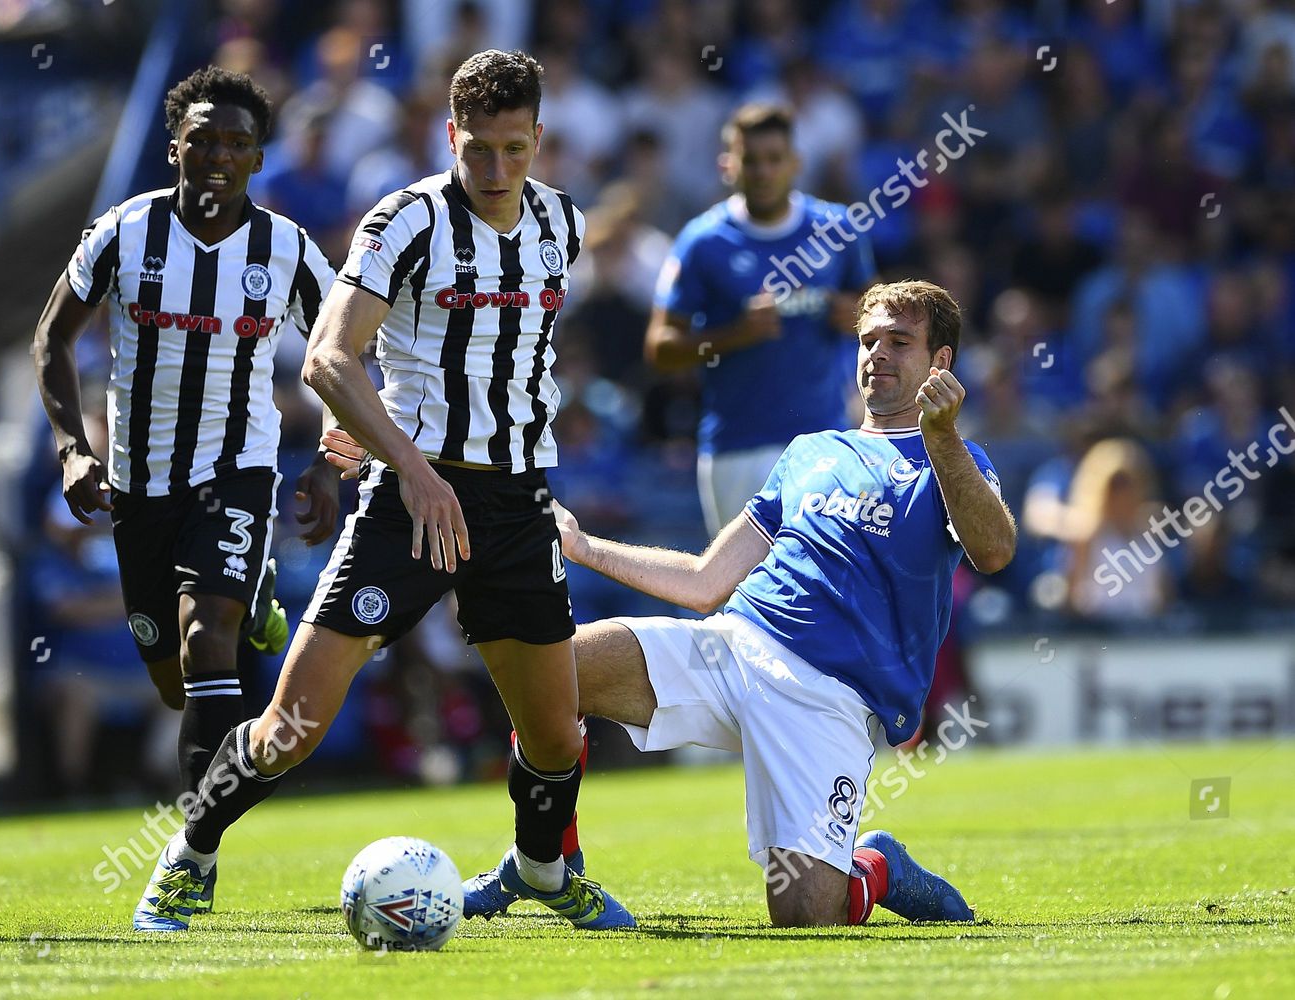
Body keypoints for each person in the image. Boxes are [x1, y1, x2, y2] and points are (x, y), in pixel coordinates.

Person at [130, 49, 633, 933]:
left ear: (540, 141)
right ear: (450, 136)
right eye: (478, 148)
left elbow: (521, 360)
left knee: (556, 735)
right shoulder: (403, 222)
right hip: (410, 501)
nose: (495, 168)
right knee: (292, 726)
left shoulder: (563, 224)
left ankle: (542, 873)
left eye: (514, 149)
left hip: (516, 502)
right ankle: (191, 855)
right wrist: (409, 464)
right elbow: (328, 355)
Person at [465, 279, 1014, 926]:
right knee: (552, 673)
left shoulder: (956, 458)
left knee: (807, 917)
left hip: (831, 699)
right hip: (736, 646)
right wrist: (584, 547)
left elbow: (993, 550)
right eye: (868, 341)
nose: (878, 355)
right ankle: (545, 865)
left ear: (939, 362)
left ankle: (876, 866)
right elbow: (704, 580)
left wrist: (942, 436)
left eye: (900, 342)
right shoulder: (812, 452)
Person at [32, 67, 339, 908]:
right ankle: (251, 650)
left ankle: (191, 858)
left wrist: (330, 458)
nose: (219, 155)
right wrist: (70, 449)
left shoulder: (288, 250)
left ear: (258, 157)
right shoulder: (123, 233)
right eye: (203, 138)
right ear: (176, 147)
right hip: (139, 488)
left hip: (237, 471)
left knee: (207, 639)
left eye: (238, 142)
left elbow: (346, 356)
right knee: (175, 680)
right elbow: (52, 341)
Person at [645, 103, 877, 538]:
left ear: (796, 164)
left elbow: (880, 314)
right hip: (737, 446)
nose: (764, 171)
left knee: (826, 588)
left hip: (824, 442)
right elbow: (660, 349)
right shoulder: (703, 241)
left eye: (775, 159)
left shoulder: (838, 229)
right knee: (742, 595)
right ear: (727, 165)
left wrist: (858, 318)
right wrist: (734, 335)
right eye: (751, 160)